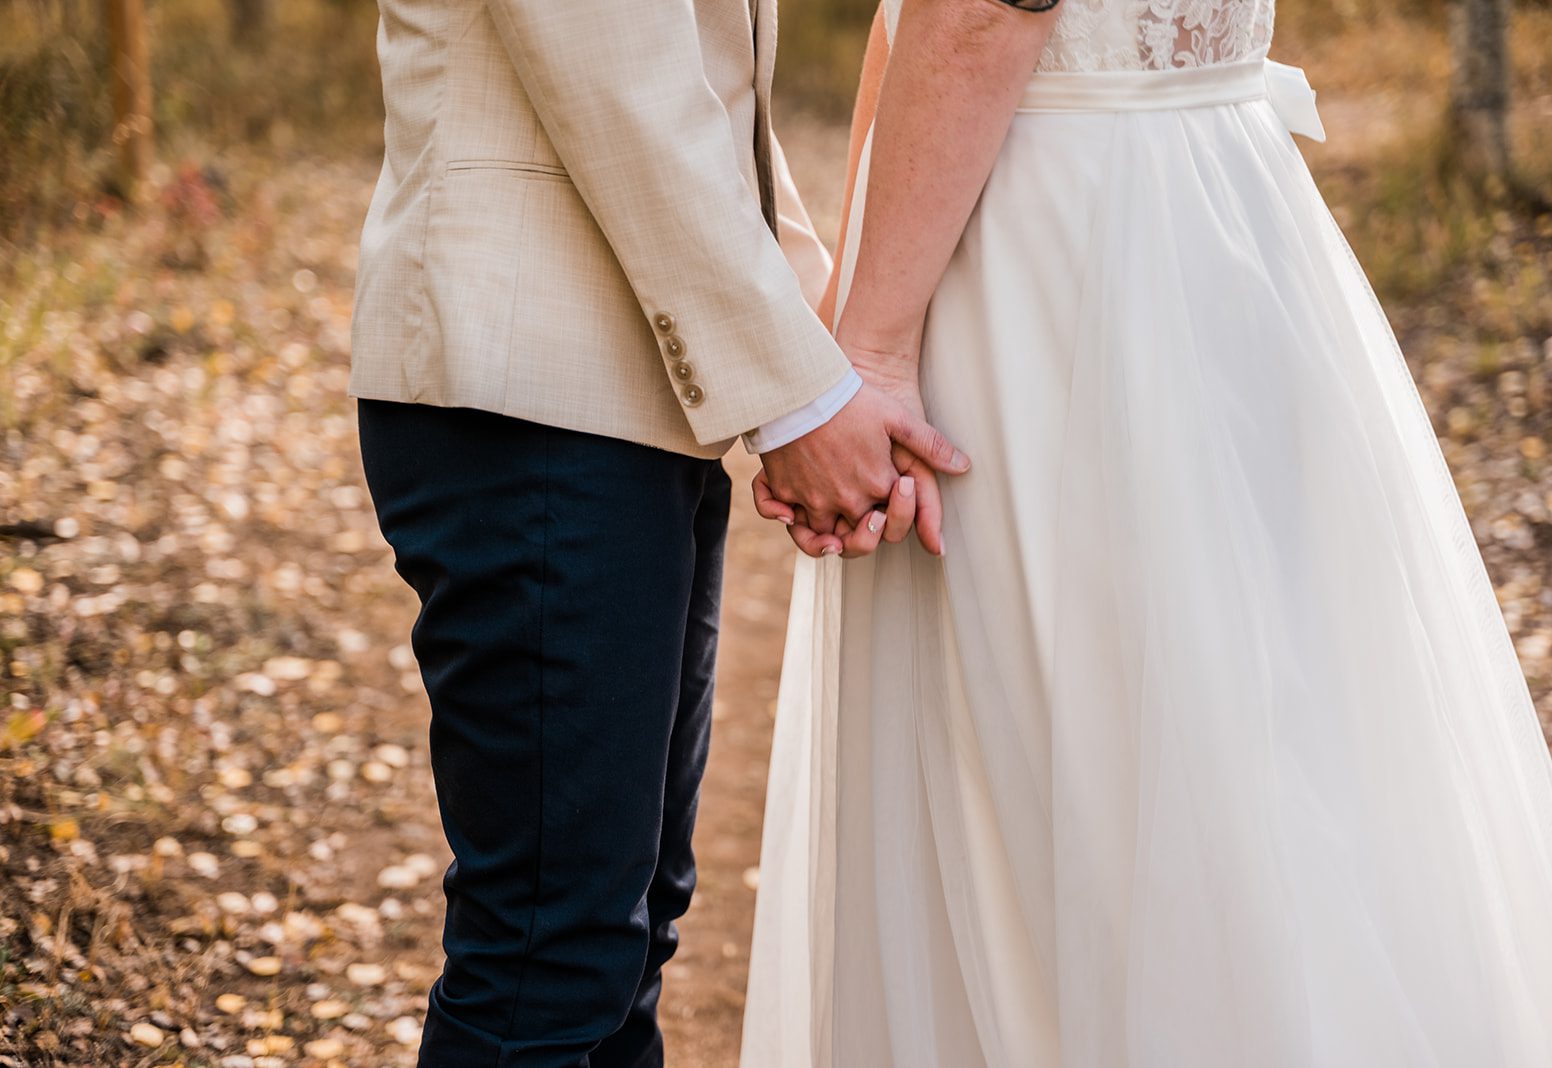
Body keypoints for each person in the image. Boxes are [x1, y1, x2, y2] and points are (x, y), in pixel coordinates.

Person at [744, 0, 1552, 1064]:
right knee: (1261, 730)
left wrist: (876, 347)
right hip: (1209, 209)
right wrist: (850, 315)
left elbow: (978, 11)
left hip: (1065, 239)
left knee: (1090, 761)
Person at [348, 1, 970, 1064]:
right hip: (528, 398)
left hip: (615, 399)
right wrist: (797, 396)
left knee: (627, 930)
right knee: (551, 953)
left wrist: (823, 356)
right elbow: (617, 82)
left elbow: (710, 115)